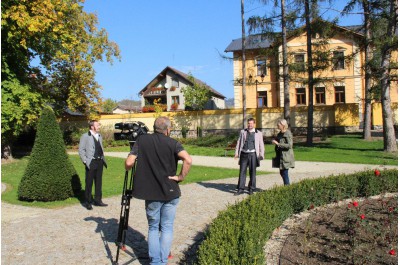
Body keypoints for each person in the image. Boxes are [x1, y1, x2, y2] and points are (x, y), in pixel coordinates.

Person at [125, 116, 192, 265]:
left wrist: (128, 167)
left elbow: (129, 162)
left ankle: (156, 262)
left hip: (151, 193)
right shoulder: (173, 143)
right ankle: (163, 260)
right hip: (170, 191)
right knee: (167, 227)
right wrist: (180, 177)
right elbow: (188, 159)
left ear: (155, 127)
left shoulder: (142, 140)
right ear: (168, 130)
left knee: (153, 227)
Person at [79, 120, 108, 210]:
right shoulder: (85, 136)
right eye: (97, 125)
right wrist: (85, 161)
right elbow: (81, 150)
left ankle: (98, 200)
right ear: (92, 127)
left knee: (98, 182)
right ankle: (88, 202)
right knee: (89, 182)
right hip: (91, 162)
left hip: (100, 161)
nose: (99, 126)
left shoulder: (99, 136)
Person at [234, 117, 265, 195]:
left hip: (253, 154)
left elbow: (261, 145)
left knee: (252, 172)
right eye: (248, 123)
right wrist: (236, 153)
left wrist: (261, 155)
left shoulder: (259, 133)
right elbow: (239, 142)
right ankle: (240, 189)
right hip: (244, 154)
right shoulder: (243, 132)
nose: (249, 125)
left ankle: (251, 189)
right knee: (242, 172)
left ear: (254, 124)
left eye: (251, 123)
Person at [272, 119, 295, 185]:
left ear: (283, 125)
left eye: (278, 124)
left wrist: (278, 144)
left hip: (286, 157)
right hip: (280, 156)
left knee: (285, 173)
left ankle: (287, 188)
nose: (277, 125)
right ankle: (287, 187)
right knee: (282, 173)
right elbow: (277, 140)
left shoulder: (288, 133)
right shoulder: (280, 133)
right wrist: (274, 141)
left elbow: (290, 145)